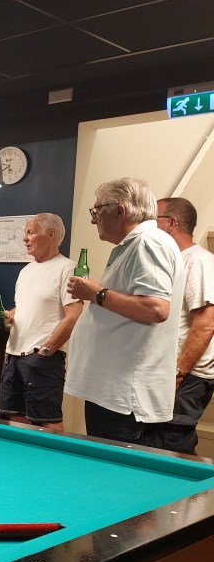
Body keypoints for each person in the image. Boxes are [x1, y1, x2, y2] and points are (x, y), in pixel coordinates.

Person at [65, 178, 183, 444]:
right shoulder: (138, 244)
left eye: (97, 211)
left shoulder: (149, 242)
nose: (93, 219)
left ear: (120, 211)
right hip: (114, 391)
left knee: (112, 468)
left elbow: (156, 308)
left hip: (125, 397)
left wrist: (96, 293)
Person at [0, 213, 83, 431]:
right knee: (14, 417)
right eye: (25, 233)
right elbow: (23, 308)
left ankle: (55, 456)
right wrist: (8, 316)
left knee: (49, 421)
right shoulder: (26, 270)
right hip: (13, 355)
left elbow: (74, 314)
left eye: (30, 232)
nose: (24, 238)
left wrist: (46, 350)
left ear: (51, 235)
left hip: (43, 358)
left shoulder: (68, 268)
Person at [148, 197, 214, 454]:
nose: (150, 224)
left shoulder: (198, 260)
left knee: (171, 448)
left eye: (154, 218)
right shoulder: (175, 260)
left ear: (171, 223)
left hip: (188, 377)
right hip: (172, 374)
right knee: (158, 445)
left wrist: (178, 372)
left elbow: (207, 322)